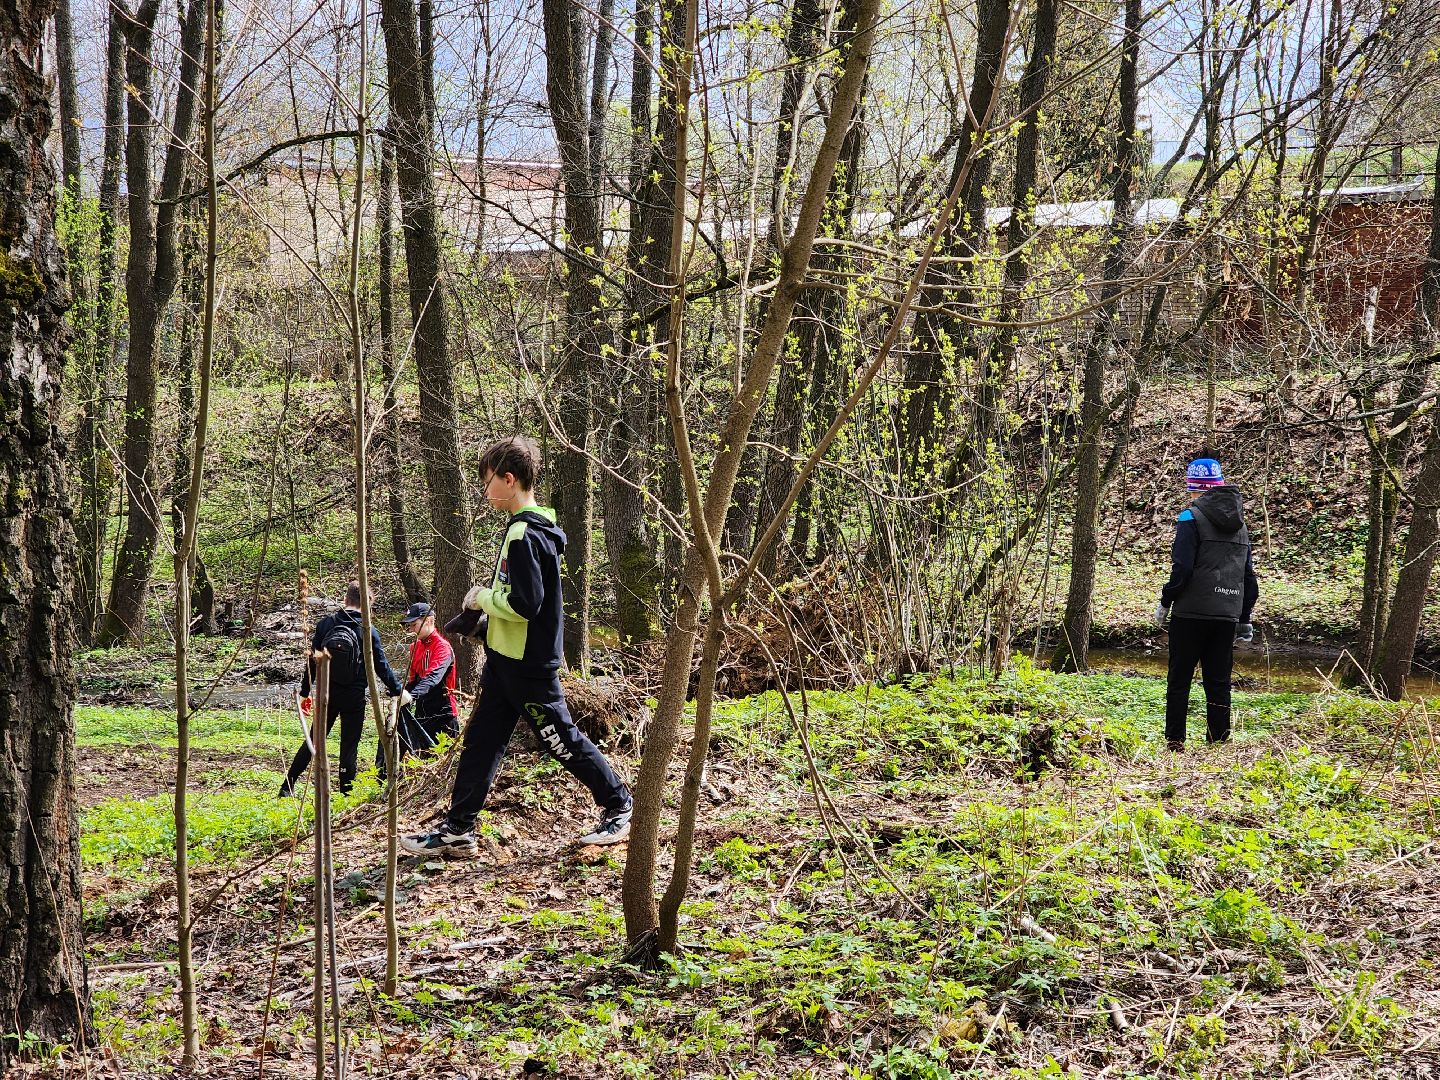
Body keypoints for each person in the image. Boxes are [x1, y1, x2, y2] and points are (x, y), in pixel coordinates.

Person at [400, 436, 633, 857]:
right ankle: (458, 829)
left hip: (528, 668)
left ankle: (620, 806)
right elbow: (526, 603)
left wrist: (480, 598)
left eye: (487, 480)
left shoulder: (525, 533)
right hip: (505, 662)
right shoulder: (524, 530)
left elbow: (526, 605)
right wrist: (488, 625)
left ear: (509, 480)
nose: (484, 490)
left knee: (560, 738)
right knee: (482, 743)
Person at [1154, 458, 1259, 751]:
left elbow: (1183, 568)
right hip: (1227, 613)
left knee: (1180, 679)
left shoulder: (1190, 517)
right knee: (1218, 680)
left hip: (1191, 613)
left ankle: (1175, 741)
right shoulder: (1241, 525)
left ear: (1194, 487)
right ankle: (1219, 740)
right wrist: (1245, 615)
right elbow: (1248, 576)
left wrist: (1165, 601)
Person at [282, 581, 409, 796]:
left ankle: (287, 786)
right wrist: (397, 690)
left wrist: (305, 692)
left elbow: (312, 662)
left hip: (326, 695)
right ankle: (345, 794)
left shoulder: (325, 625)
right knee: (349, 747)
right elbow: (381, 667)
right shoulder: (368, 631)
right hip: (354, 697)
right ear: (368, 605)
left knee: (313, 740)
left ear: (345, 599)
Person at [376, 602, 461, 777]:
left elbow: (433, 678)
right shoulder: (415, 647)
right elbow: (414, 679)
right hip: (423, 712)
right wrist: (399, 693)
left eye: (415, 625)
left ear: (429, 621)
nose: (412, 629)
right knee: (423, 764)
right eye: (410, 626)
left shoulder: (442, 647)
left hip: (444, 714)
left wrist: (410, 695)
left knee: (443, 768)